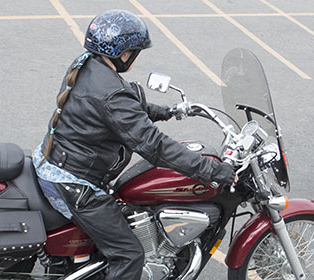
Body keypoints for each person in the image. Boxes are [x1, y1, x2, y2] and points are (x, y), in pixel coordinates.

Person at [33, 9, 236, 280]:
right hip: (75, 184)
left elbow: (120, 107)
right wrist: (211, 171)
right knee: (129, 255)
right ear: (125, 53)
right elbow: (154, 145)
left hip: (57, 162)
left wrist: (166, 111)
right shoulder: (111, 92)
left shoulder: (88, 64)